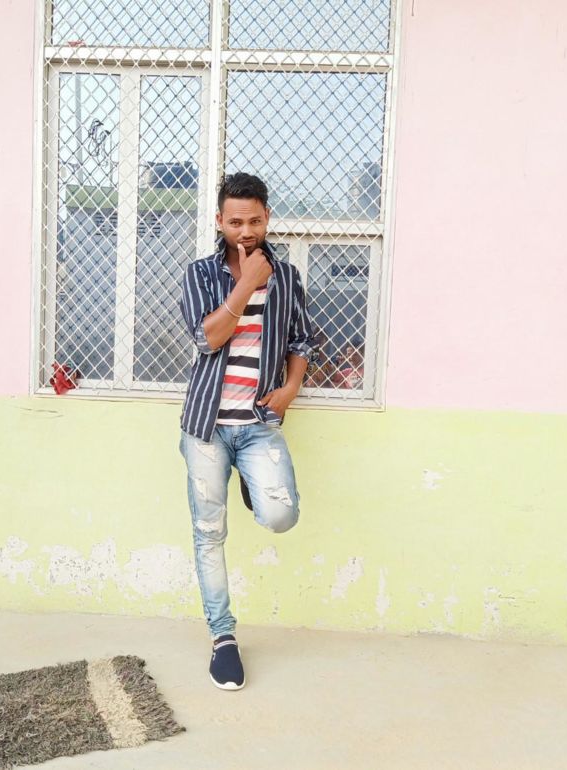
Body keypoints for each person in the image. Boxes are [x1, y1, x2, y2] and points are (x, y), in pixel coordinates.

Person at [179, 172, 316, 690]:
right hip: (207, 428)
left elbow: (301, 340)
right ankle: (223, 638)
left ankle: (250, 482)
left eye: (254, 220)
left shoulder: (287, 277)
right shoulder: (200, 274)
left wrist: (291, 388)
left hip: (258, 425)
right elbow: (207, 339)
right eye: (235, 221)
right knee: (209, 533)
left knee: (281, 515)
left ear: (267, 218)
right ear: (219, 220)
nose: (245, 230)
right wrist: (245, 285)